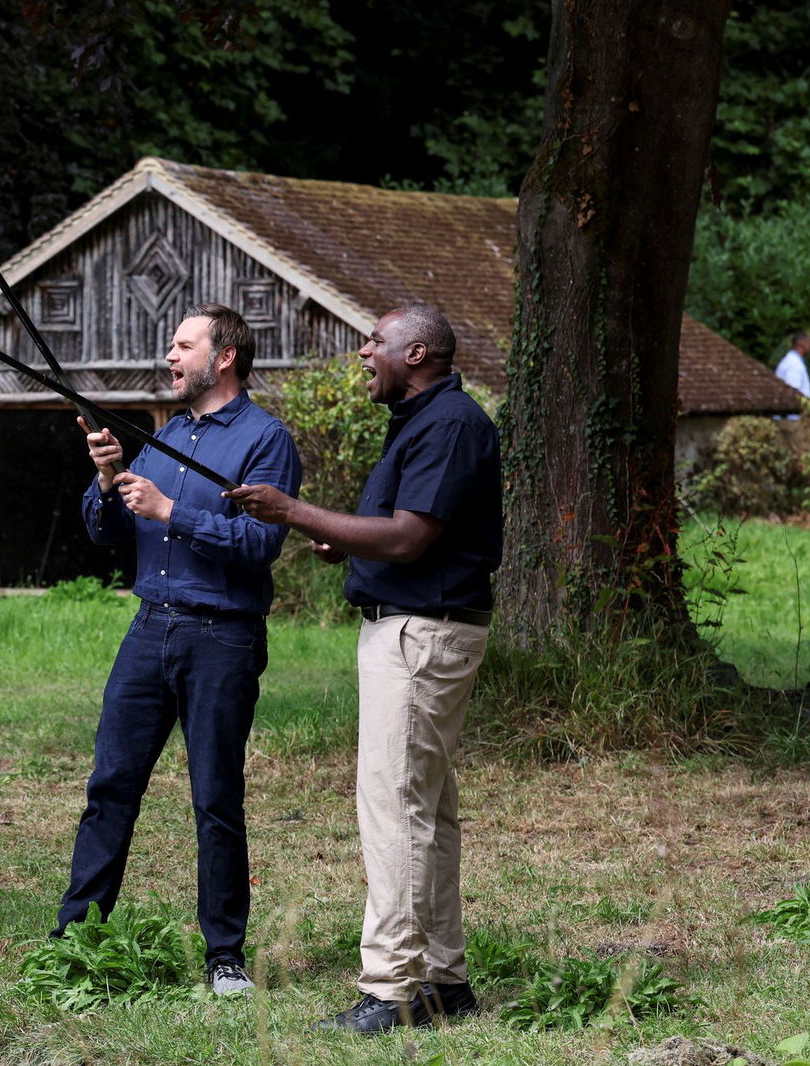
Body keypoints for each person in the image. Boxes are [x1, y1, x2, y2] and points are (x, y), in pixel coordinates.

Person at [228, 305, 501, 1032]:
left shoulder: (449, 424)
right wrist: (341, 538)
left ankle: (393, 989)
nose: (362, 351)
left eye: (375, 340)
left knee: (396, 809)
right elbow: (401, 533)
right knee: (426, 811)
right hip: (415, 629)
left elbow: (408, 539)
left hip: (419, 635)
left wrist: (292, 511)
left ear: (415, 353)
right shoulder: (422, 421)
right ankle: (443, 980)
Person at [53, 302, 301, 996]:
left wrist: (171, 510)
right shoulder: (165, 435)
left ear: (224, 357)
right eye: (172, 345)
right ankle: (77, 940)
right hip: (148, 629)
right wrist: (108, 480)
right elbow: (107, 534)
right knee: (110, 786)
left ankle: (225, 956)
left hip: (222, 637)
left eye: (183, 345)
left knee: (215, 796)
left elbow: (260, 544)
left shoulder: (265, 440)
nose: (170, 356)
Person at [776, 332, 810, 419]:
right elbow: (792, 393)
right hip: (791, 419)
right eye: (809, 342)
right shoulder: (793, 364)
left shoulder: (793, 361)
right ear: (802, 343)